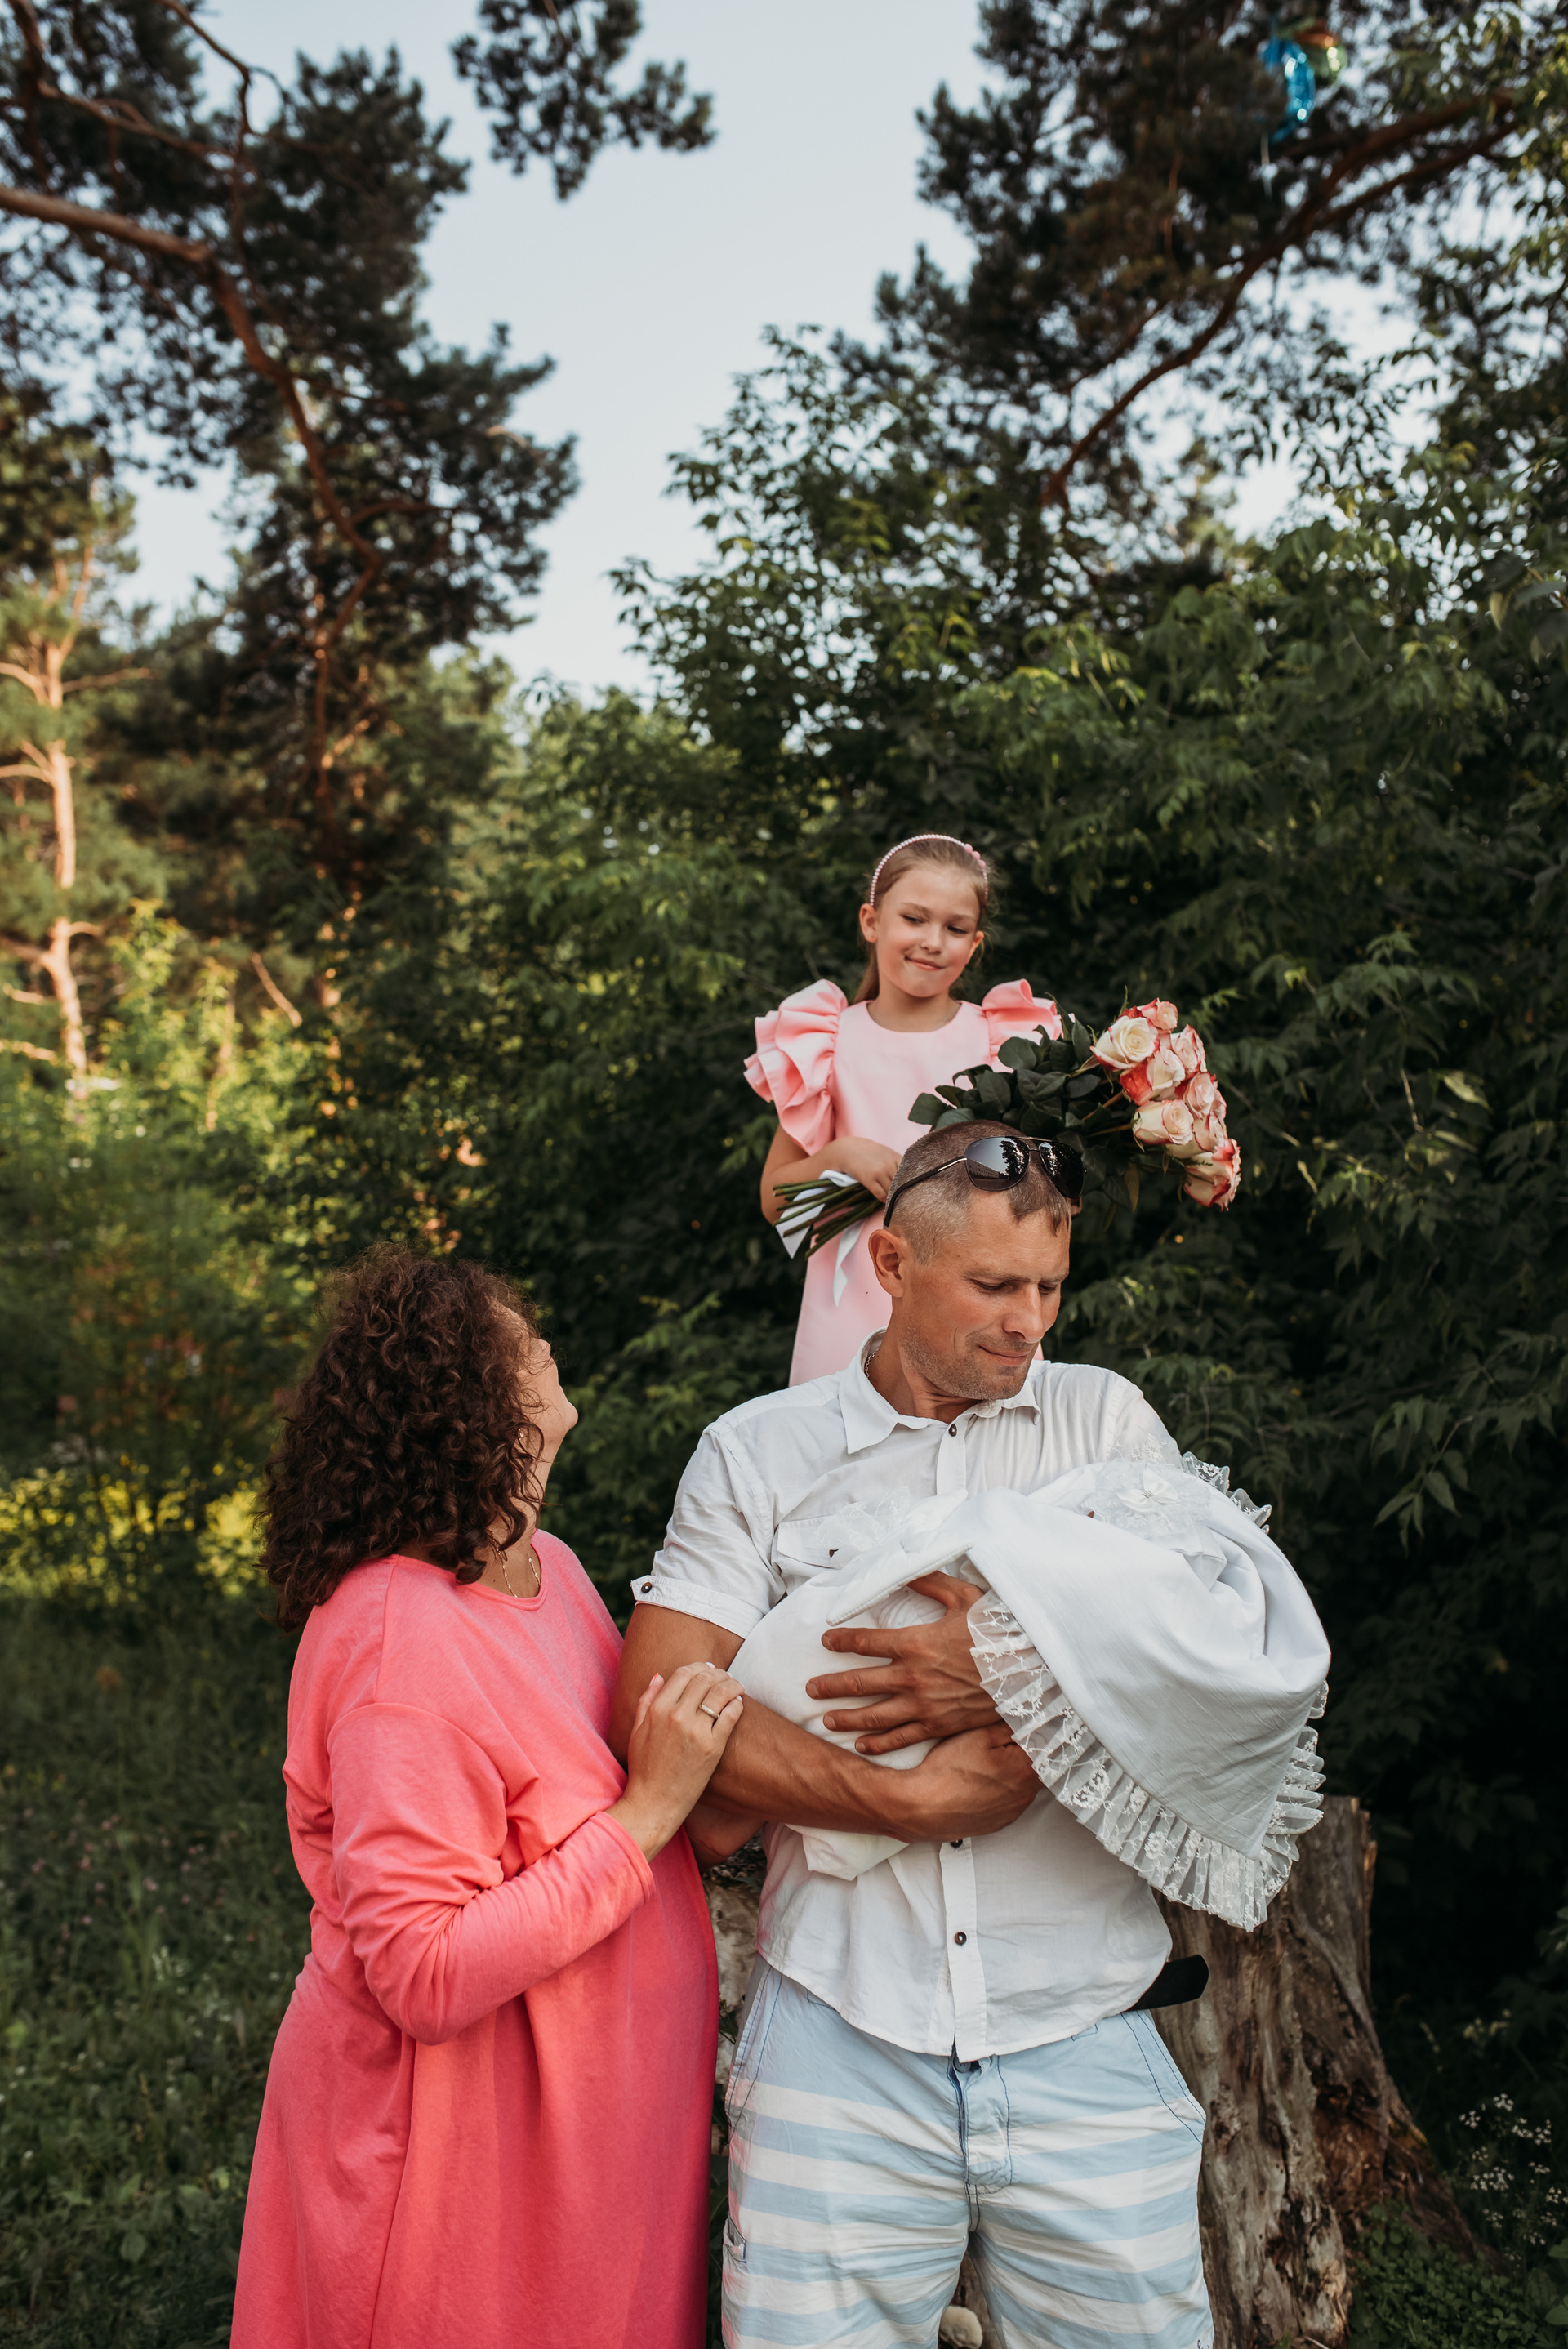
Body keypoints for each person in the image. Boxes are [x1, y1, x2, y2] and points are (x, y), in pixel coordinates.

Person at [616, 1125, 1224, 2349]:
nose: (1030, 1322)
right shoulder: (758, 1451)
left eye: (1050, 1286)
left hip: (1087, 2024)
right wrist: (901, 1801)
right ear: (891, 1264)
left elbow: (1209, 1675)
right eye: (994, 1285)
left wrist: (990, 1668)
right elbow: (662, 1707)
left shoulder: (1107, 1425)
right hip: (836, 2035)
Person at [233, 1248, 744, 2349]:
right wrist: (650, 1814)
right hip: (461, 2175)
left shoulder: (547, 1568)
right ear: (462, 1401)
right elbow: (422, 1970)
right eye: (511, 1338)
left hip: (595, 2159)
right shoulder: (397, 1640)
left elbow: (602, 1804)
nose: (538, 1335)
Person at [748, 832, 1058, 1383]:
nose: (933, 942)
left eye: (955, 929)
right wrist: (841, 1155)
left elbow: (1039, 1197)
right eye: (914, 919)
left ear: (975, 943)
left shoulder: (1000, 1043)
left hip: (975, 1302)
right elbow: (776, 1200)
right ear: (872, 922)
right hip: (853, 1299)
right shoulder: (828, 1042)